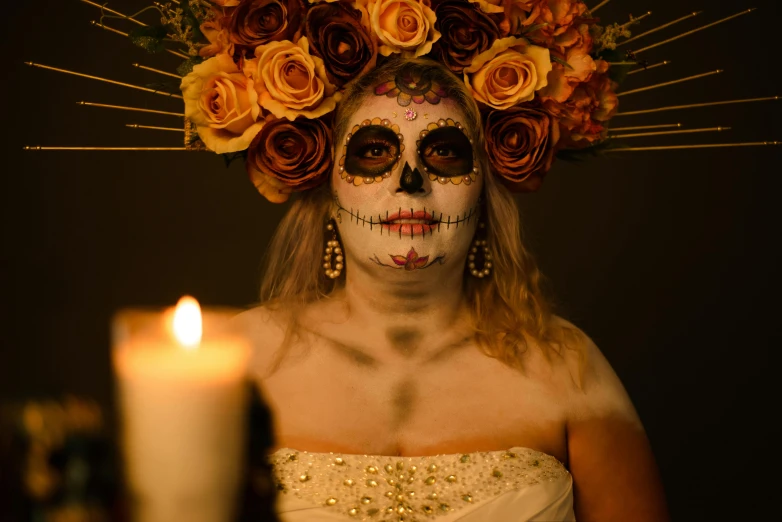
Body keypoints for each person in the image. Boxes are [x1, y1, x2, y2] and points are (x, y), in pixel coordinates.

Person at [237, 58, 670, 522]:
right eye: (375, 151)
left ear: (484, 188)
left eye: (443, 153)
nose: (411, 180)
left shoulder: (569, 367)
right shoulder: (237, 361)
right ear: (329, 189)